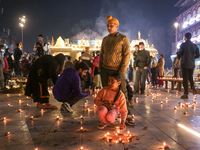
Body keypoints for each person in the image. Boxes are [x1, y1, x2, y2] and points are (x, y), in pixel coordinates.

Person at [99, 15, 134, 126]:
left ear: (117, 26)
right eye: (108, 26)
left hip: (118, 71)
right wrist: (100, 69)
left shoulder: (123, 38)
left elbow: (127, 55)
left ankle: (127, 116)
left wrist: (122, 71)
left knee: (122, 92)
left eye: (111, 25)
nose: (109, 27)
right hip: (105, 70)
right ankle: (107, 117)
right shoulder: (105, 39)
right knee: (106, 93)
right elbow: (101, 54)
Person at [176, 33, 199, 99]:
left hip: (185, 64)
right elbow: (197, 55)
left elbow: (179, 54)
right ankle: (193, 87)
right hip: (191, 64)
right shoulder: (194, 46)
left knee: (185, 78)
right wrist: (192, 57)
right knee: (190, 77)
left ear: (185, 37)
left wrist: (176, 63)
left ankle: (186, 94)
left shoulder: (183, 45)